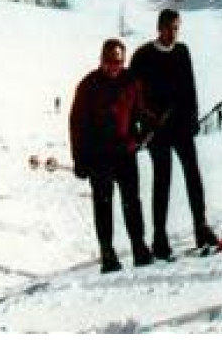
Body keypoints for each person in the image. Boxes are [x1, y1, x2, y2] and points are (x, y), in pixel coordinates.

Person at [130, 9, 218, 258]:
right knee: (162, 181)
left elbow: (190, 87)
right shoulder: (143, 56)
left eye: (176, 28)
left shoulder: (182, 52)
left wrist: (192, 118)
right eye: (169, 28)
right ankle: (159, 237)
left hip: (181, 126)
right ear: (159, 28)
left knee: (193, 175)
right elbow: (134, 97)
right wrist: (144, 124)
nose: (173, 33)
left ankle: (201, 227)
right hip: (157, 130)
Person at [69, 38, 153, 273]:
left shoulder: (131, 82)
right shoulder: (88, 85)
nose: (113, 66)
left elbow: (139, 111)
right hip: (98, 156)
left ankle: (139, 247)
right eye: (109, 61)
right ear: (101, 60)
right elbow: (77, 125)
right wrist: (79, 159)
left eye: (118, 61)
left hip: (125, 153)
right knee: (103, 205)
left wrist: (145, 127)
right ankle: (107, 253)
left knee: (132, 202)